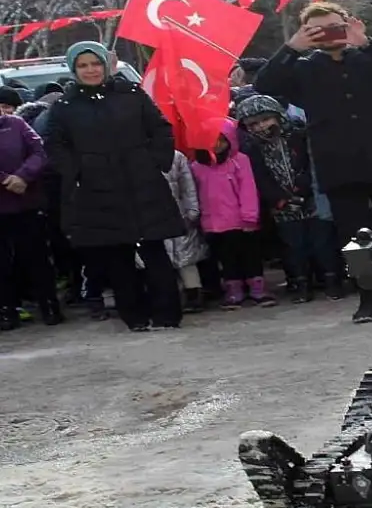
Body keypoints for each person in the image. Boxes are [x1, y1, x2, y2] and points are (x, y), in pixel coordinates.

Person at [253, 1, 372, 323]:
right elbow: (263, 86)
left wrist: (367, 41)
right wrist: (290, 48)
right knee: (355, 237)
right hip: (339, 164)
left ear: (348, 23)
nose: (330, 33)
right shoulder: (303, 67)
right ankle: (369, 297)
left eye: (335, 25)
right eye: (319, 28)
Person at [45, 41, 183, 332]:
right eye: (83, 65)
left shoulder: (131, 94)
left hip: (142, 183)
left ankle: (167, 315)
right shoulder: (65, 107)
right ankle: (134, 317)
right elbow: (56, 147)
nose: (91, 70)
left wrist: (156, 161)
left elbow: (160, 129)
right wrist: (78, 173)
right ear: (74, 70)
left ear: (105, 65)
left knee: (155, 251)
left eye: (95, 63)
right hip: (97, 190)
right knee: (117, 257)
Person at [236, 95, 343, 303]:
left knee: (323, 242)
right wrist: (279, 198)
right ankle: (301, 283)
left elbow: (312, 163)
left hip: (312, 198)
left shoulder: (299, 136)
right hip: (282, 206)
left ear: (278, 116)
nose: (260, 127)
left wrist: (302, 188)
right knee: (294, 246)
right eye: (253, 124)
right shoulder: (252, 149)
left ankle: (332, 281)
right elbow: (259, 177)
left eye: (265, 120)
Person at [191, 119, 274, 310]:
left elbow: (248, 189)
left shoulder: (239, 161)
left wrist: (250, 215)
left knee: (250, 255)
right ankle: (234, 289)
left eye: (221, 140)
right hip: (214, 223)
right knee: (227, 258)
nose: (216, 144)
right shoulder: (197, 166)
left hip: (241, 220)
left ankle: (257, 288)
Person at [0, 107, 62, 330]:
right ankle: (7, 310)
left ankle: (49, 306)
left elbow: (39, 152)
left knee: (38, 257)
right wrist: (6, 179)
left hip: (27, 202)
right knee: (3, 264)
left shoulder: (16, 124)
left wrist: (24, 176)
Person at [163, 150, 209, 314]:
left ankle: (193, 293)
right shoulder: (133, 154)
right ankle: (168, 295)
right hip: (150, 216)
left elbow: (188, 186)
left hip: (179, 213)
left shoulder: (176, 157)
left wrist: (192, 211)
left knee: (186, 257)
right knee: (159, 259)